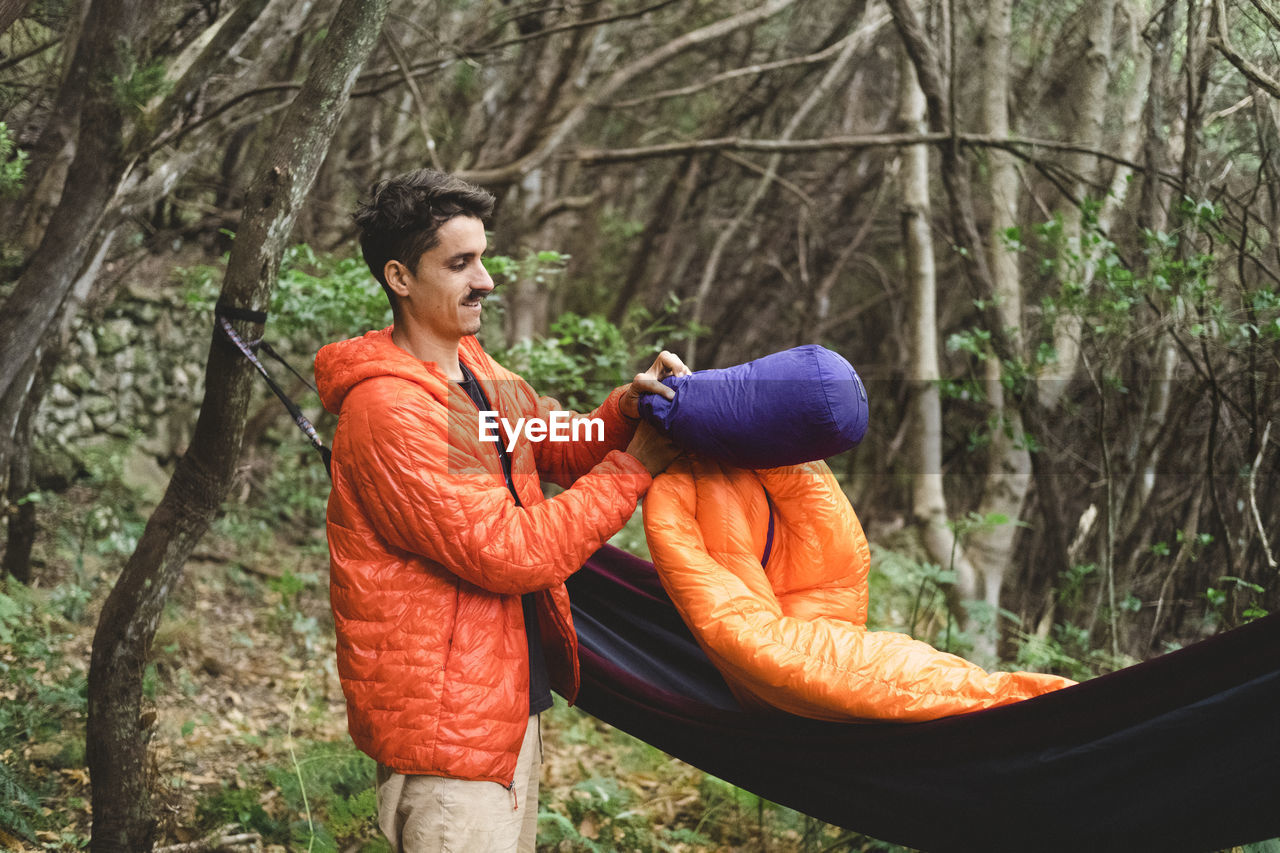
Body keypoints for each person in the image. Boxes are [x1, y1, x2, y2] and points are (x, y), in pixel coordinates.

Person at [313, 168, 687, 853]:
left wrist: (626, 411)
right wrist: (637, 464)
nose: (485, 279)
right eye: (461, 263)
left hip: (504, 703)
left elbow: (549, 441)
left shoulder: (471, 372)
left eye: (482, 258)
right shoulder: (391, 410)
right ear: (399, 277)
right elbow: (511, 550)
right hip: (447, 737)